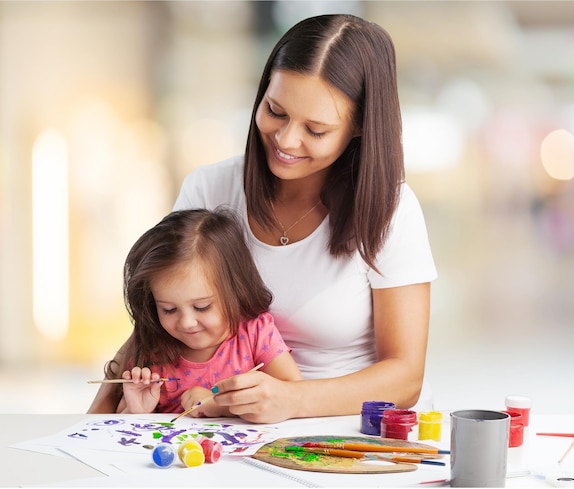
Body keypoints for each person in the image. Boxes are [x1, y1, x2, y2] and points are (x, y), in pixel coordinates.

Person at [89, 13, 437, 423]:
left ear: (359, 127)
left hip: (347, 430)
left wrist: (293, 400)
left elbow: (405, 377)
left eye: (316, 130)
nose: (287, 140)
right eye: (275, 110)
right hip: (226, 424)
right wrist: (99, 413)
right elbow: (161, 317)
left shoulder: (390, 210)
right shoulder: (210, 189)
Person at [95, 208, 302, 415]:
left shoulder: (255, 333)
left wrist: (218, 404)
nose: (186, 322)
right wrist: (136, 411)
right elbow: (119, 428)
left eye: (202, 307)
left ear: (235, 290)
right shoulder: (153, 351)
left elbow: (292, 393)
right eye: (169, 309)